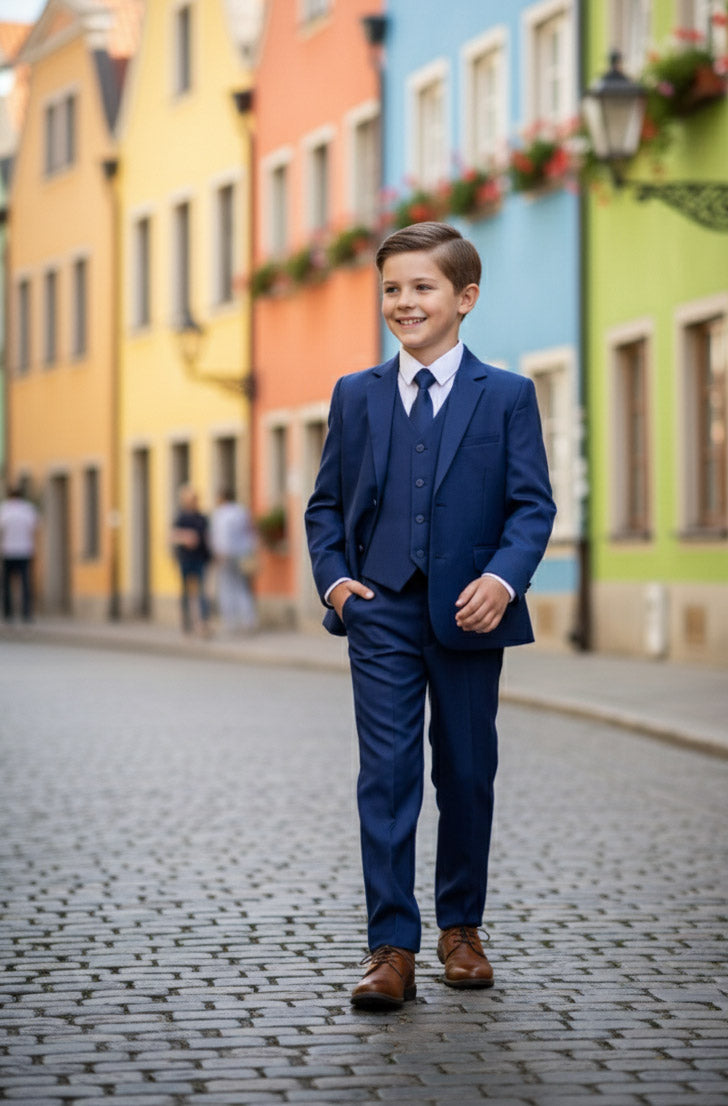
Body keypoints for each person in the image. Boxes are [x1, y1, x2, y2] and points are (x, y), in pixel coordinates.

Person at [305, 222, 556, 1010]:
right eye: (390, 289)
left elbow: (531, 507)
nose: (403, 302)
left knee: (467, 774)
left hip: (469, 614)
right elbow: (325, 508)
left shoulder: (507, 395)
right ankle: (391, 948)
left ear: (463, 298)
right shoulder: (356, 395)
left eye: (420, 287)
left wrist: (503, 581)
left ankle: (461, 931)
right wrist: (338, 586)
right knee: (385, 777)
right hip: (379, 611)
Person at [210, 488, 257, 633]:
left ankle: (231, 622)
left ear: (222, 498)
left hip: (226, 555)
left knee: (227, 588)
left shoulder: (221, 514)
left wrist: (219, 554)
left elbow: (221, 537)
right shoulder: (241, 511)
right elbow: (250, 532)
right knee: (242, 587)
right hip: (242, 553)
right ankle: (248, 620)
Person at [171, 485, 211, 636]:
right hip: (185, 559)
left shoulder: (202, 517)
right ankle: (186, 624)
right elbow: (172, 536)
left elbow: (207, 537)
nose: (193, 501)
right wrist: (185, 537)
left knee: (201, 592)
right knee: (186, 592)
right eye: (190, 499)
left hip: (200, 558)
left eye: (195, 498)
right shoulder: (181, 517)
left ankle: (203, 623)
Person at [1, 484, 39, 623]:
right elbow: (35, 529)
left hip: (8, 550)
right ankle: (26, 613)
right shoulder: (28, 509)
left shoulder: (4, 510)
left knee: (6, 585)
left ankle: (8, 613)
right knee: (26, 584)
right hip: (25, 550)